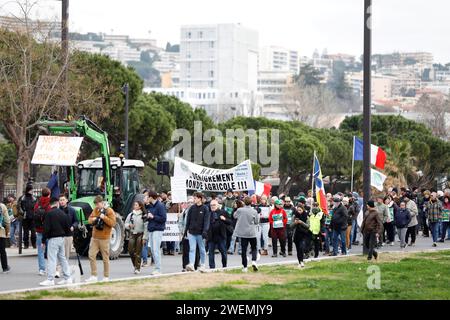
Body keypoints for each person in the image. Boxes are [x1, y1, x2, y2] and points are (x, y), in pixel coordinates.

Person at [39, 198, 72, 286]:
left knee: (52, 259)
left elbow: (46, 228)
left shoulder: (48, 214)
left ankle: (50, 279)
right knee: (63, 258)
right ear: (57, 203)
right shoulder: (62, 213)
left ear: (50, 205)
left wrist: (43, 241)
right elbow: (67, 226)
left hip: (53, 238)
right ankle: (67, 277)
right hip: (62, 238)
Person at [85, 196, 116, 283]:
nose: (97, 205)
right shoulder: (95, 210)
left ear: (102, 203)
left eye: (98, 204)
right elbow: (89, 219)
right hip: (95, 237)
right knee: (91, 255)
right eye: (95, 204)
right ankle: (93, 275)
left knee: (105, 257)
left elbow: (113, 223)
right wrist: (93, 219)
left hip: (104, 238)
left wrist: (104, 218)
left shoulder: (109, 210)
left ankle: (106, 276)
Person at [185, 192, 209, 273]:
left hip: (201, 233)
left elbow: (206, 221)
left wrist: (205, 231)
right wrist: (186, 231)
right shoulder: (192, 208)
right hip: (191, 232)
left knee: (202, 249)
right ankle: (191, 264)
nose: (194, 199)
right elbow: (188, 220)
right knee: (192, 249)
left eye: (195, 198)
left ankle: (203, 265)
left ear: (199, 199)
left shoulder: (205, 208)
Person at [233, 197, 259, 272]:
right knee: (254, 248)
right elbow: (257, 221)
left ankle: (245, 267)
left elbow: (234, 216)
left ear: (244, 202)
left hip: (243, 233)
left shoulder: (240, 210)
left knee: (244, 250)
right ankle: (254, 261)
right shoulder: (254, 211)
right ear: (251, 203)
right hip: (251, 232)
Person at [146, 191, 167, 275]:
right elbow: (150, 217)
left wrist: (153, 217)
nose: (147, 198)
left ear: (151, 197)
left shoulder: (160, 205)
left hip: (158, 229)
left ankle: (158, 269)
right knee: (153, 250)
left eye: (148, 197)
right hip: (151, 228)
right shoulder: (150, 206)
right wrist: (148, 217)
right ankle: (156, 268)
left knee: (156, 249)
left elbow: (163, 218)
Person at [125, 201, 148, 274]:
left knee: (138, 251)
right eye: (134, 204)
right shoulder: (131, 214)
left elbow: (146, 227)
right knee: (131, 250)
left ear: (140, 206)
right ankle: (135, 264)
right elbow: (125, 223)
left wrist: (144, 237)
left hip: (140, 234)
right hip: (132, 234)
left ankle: (137, 268)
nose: (134, 206)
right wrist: (129, 226)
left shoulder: (144, 215)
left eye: (136, 205)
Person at [34, 188, 52, 276]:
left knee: (40, 251)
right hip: (48, 231)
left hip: (39, 230)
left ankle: (41, 269)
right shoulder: (50, 204)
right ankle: (51, 268)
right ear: (49, 194)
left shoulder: (37, 204)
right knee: (50, 251)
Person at [207, 200, 231, 269]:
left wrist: (224, 219)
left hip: (221, 235)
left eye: (214, 205)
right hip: (211, 236)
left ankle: (224, 266)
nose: (212, 206)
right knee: (211, 253)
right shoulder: (208, 213)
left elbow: (230, 222)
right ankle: (212, 267)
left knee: (223, 252)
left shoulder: (223, 212)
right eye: (211, 205)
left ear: (217, 205)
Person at [58, 195, 78, 262]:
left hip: (68, 235)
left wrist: (73, 226)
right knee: (58, 254)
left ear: (66, 200)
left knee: (66, 255)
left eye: (63, 200)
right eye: (60, 200)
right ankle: (57, 270)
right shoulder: (57, 210)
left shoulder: (72, 210)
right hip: (58, 235)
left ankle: (65, 270)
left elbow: (76, 221)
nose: (62, 201)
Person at [18, 183, 37, 250]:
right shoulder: (22, 198)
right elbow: (19, 206)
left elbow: (37, 207)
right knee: (26, 232)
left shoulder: (34, 198)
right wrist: (23, 213)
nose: (32, 191)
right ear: (29, 190)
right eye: (31, 189)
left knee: (33, 232)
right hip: (25, 217)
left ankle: (34, 244)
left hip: (32, 217)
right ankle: (26, 244)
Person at [0, 201, 11, 273]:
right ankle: (5, 268)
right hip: (1, 232)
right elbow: (7, 220)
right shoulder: (2, 206)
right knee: (2, 251)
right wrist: (7, 231)